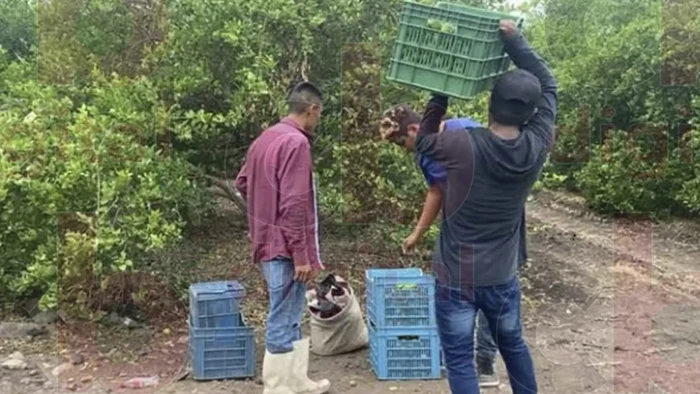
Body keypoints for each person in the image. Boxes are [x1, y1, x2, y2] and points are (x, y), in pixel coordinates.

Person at [411, 20, 557, 393]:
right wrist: (515, 43)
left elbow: (424, 139)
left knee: (459, 359)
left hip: (455, 278)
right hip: (501, 278)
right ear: (531, 113)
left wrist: (440, 93)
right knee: (512, 345)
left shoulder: (461, 144)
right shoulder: (537, 145)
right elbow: (550, 85)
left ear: (489, 104)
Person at [379, 108, 500, 388]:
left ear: (412, 131)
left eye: (401, 143)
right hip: (461, 230)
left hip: (488, 226)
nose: (404, 150)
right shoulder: (426, 153)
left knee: (483, 291)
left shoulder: (467, 131)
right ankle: (460, 360)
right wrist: (416, 234)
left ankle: (483, 362)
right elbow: (436, 191)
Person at [235, 81, 330, 394]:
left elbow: (243, 182)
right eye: (319, 113)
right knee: (281, 313)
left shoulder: (265, 138)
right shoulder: (296, 143)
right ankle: (276, 387)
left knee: (290, 311)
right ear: (312, 109)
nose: (318, 119)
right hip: (285, 248)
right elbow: (293, 203)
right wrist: (300, 254)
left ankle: (295, 380)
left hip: (266, 242)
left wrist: (263, 213)